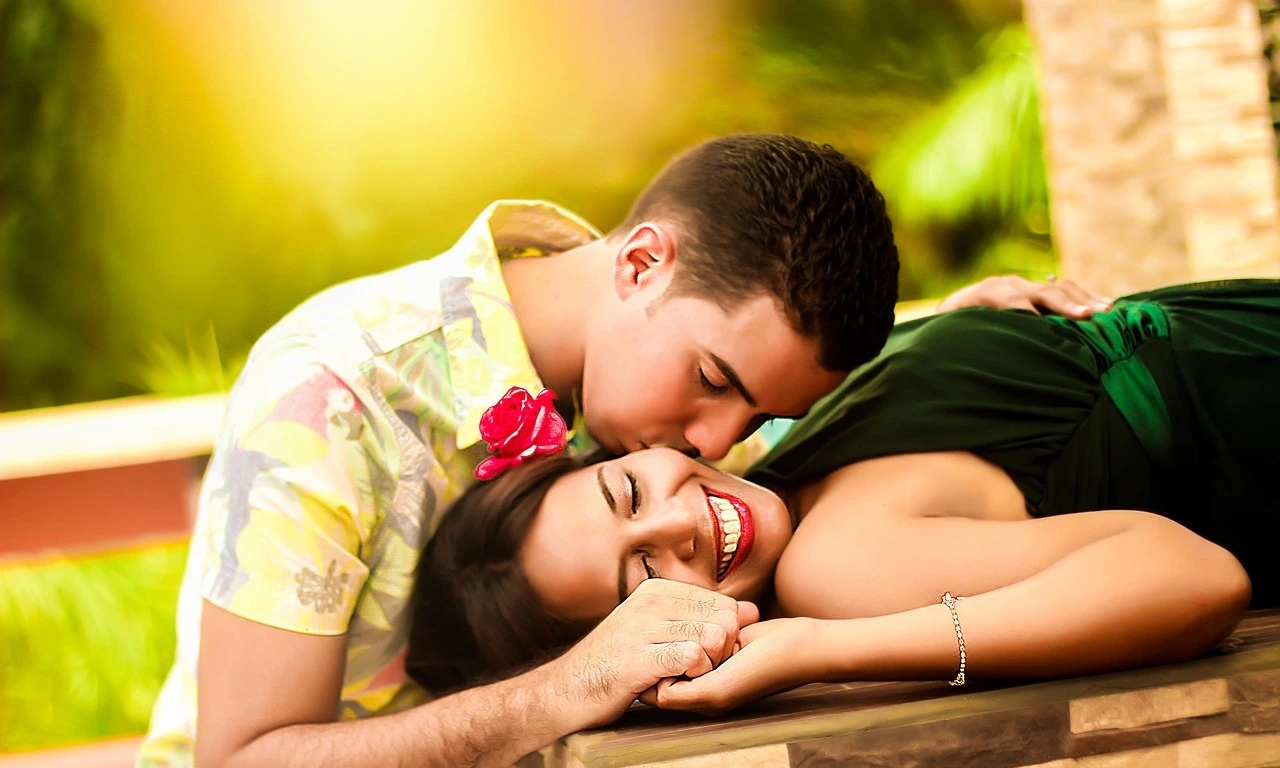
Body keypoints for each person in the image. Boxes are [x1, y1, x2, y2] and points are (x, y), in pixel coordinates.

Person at [406, 278, 1277, 719]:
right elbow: (1198, 578)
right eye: (641, 575)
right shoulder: (832, 574)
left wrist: (948, 320)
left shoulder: (784, 446)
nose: (681, 523)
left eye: (628, 491)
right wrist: (814, 651)